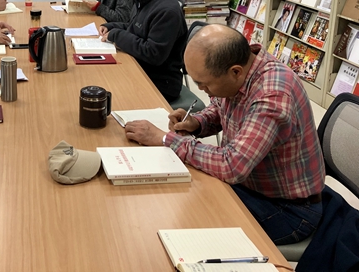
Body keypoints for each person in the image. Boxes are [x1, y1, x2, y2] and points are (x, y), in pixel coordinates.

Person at [124, 25, 325, 245]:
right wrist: (196, 122)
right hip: (251, 186)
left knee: (185, 225)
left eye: (204, 84)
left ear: (235, 72)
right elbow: (220, 107)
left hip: (288, 210)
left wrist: (166, 139)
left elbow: (231, 165)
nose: (202, 90)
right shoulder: (243, 69)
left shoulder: (272, 96)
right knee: (180, 196)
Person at [100, 0, 186, 101]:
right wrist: (111, 26)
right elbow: (135, 28)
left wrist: (117, 35)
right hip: (139, 68)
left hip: (159, 83)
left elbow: (152, 53)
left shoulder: (167, 10)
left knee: (103, 91)